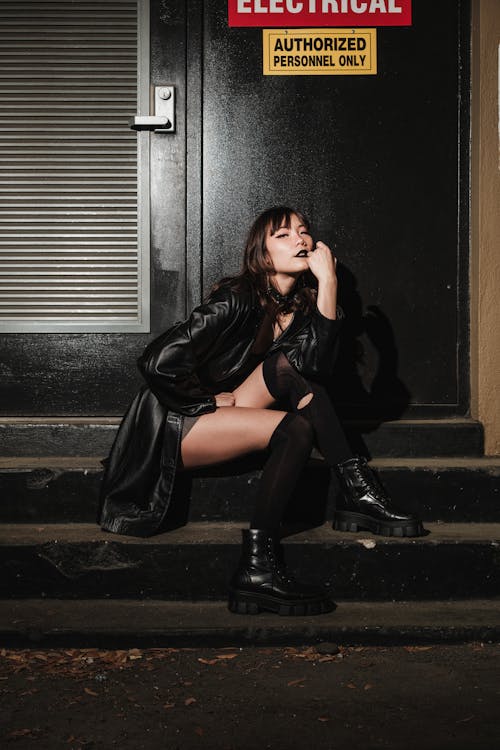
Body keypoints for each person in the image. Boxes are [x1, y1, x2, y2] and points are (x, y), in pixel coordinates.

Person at [98, 206, 423, 616]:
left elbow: (316, 368)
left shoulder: (300, 310)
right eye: (283, 235)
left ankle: (356, 491)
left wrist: (329, 282)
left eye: (303, 232)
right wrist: (203, 399)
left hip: (224, 419)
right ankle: (258, 570)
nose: (300, 240)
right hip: (174, 427)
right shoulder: (235, 300)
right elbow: (156, 360)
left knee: (292, 370)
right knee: (295, 430)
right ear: (263, 254)